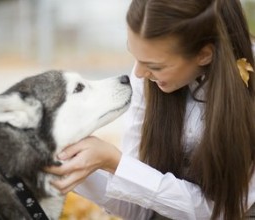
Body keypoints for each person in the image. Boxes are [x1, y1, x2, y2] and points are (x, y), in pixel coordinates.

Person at [45, 0, 255, 219]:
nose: (137, 74)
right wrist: (74, 166)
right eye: (135, 56)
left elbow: (218, 211)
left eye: (156, 66)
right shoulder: (148, 81)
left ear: (204, 54)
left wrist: (116, 163)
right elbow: (139, 208)